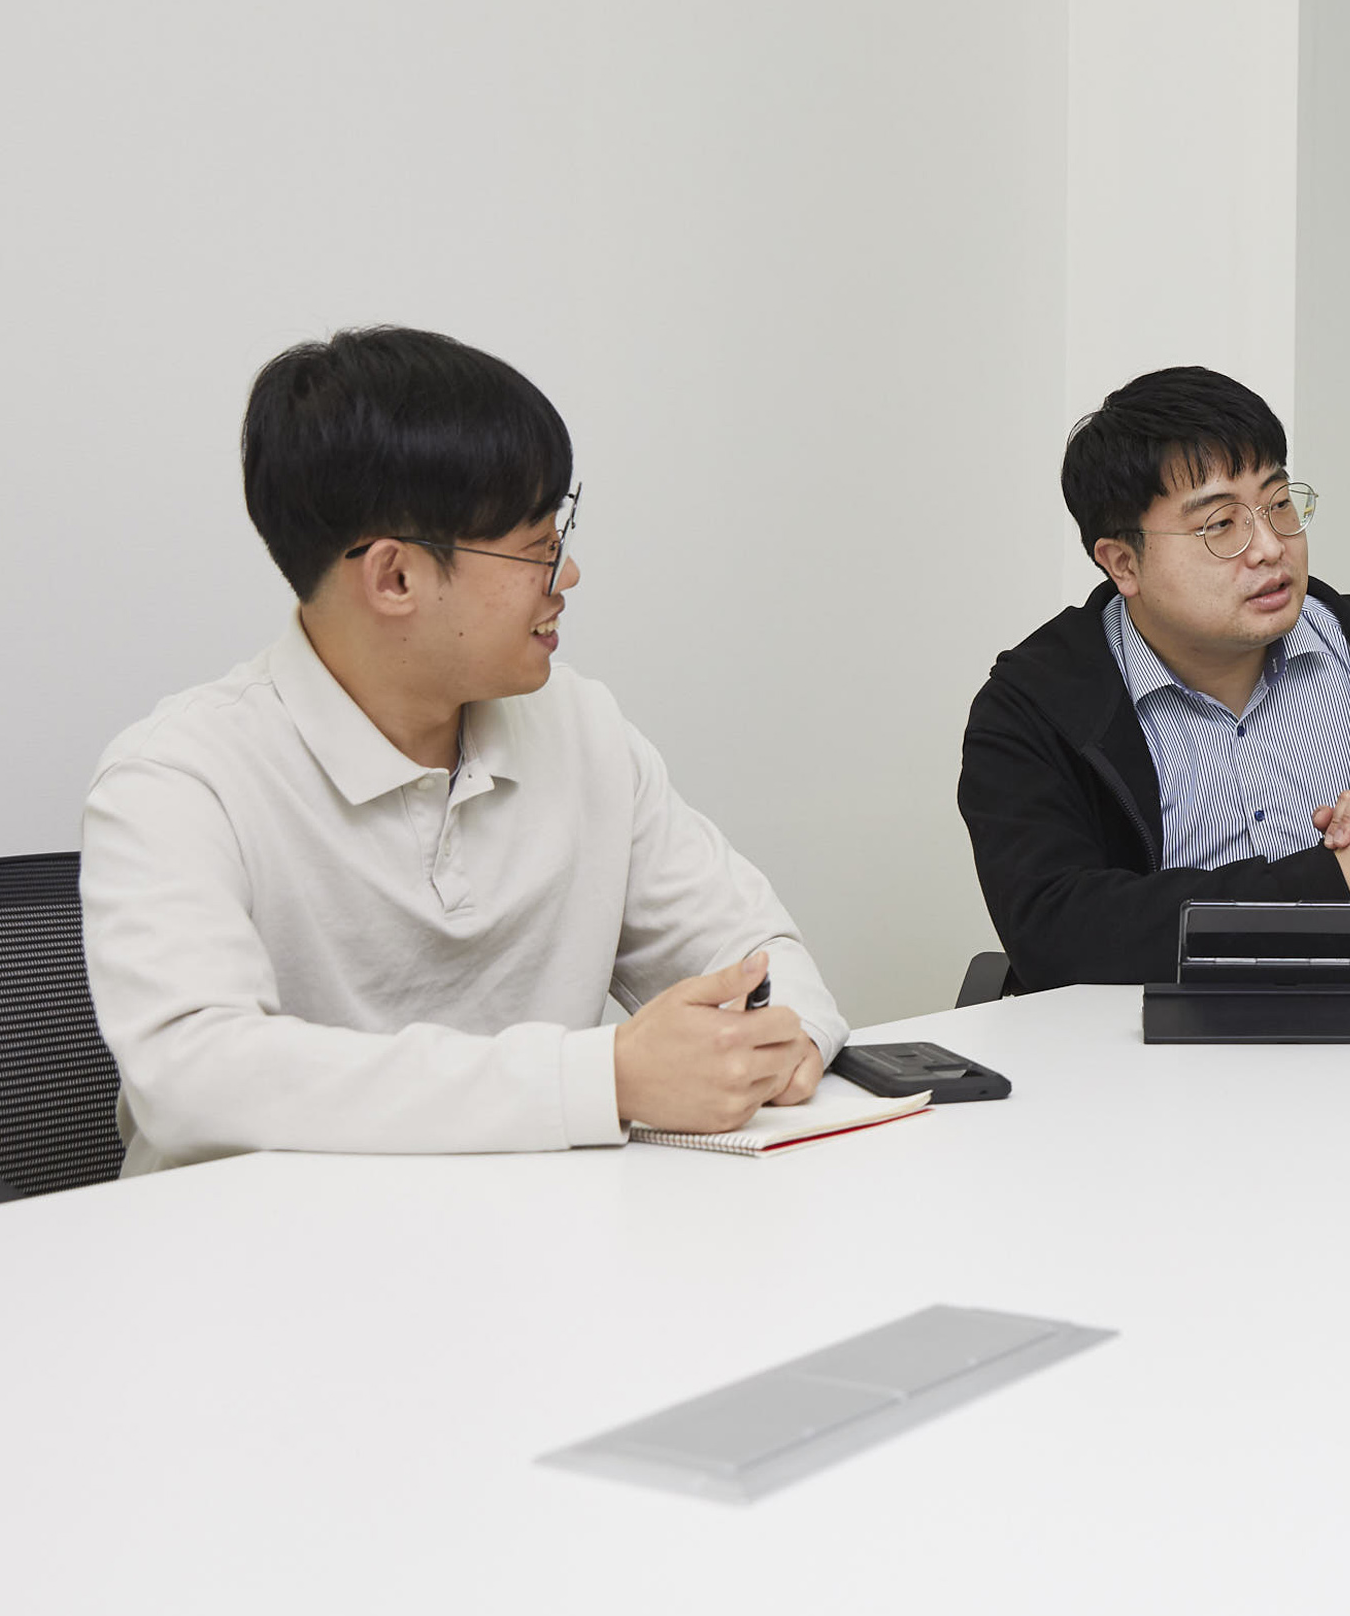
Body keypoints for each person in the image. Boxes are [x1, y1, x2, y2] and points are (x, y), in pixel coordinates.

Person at [83, 327, 846, 1171]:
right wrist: (602, 1079)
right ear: (395, 578)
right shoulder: (178, 779)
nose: (568, 576)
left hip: (546, 1230)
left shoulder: (581, 729)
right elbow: (195, 1079)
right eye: (538, 549)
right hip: (260, 1243)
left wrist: (780, 1045)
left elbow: (756, 952)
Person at [960, 365, 1350, 997]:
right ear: (1123, 563)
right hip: (1131, 1052)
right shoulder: (1037, 704)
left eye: (1278, 505)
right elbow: (1058, 937)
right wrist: (1336, 886)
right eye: (1221, 524)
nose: (1271, 547)